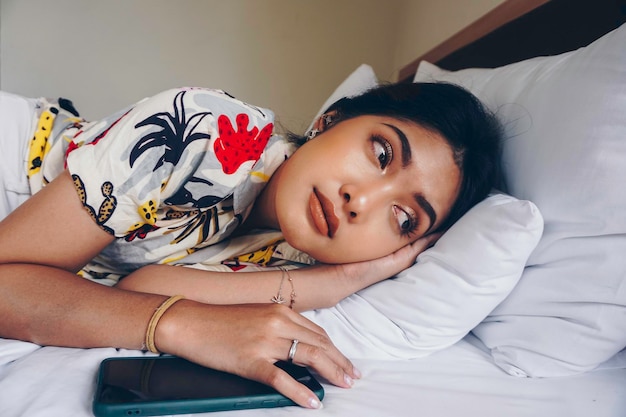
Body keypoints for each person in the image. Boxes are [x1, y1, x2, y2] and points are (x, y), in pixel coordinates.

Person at [0, 82, 501, 409]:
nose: (360, 201)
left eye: (403, 217)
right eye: (381, 153)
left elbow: (139, 285)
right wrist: (178, 327)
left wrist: (337, 283)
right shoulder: (209, 131)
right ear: (329, 120)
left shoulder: (295, 252)